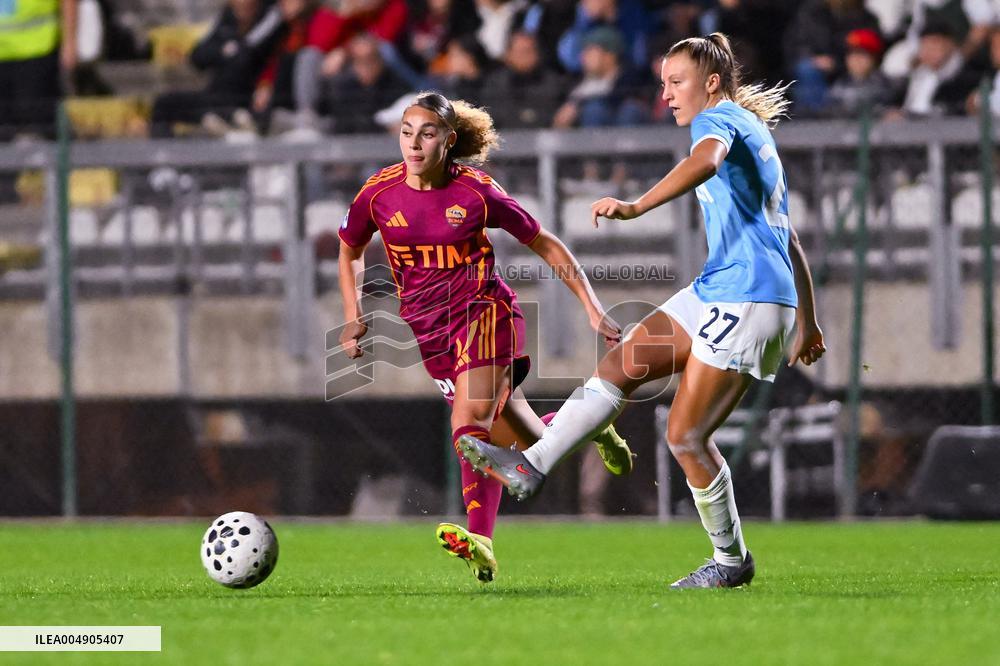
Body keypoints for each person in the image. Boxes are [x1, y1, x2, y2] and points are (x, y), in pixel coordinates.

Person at [459, 33, 827, 589]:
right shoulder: (752, 131)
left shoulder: (717, 121)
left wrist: (636, 206)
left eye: (676, 82)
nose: (666, 95)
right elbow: (788, 236)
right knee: (624, 362)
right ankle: (532, 464)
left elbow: (705, 161)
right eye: (662, 83)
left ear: (711, 83)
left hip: (748, 297)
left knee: (685, 436)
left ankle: (731, 561)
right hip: (724, 289)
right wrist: (808, 319)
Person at [337, 91, 634, 584]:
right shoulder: (377, 193)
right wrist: (353, 313)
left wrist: (592, 307)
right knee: (519, 439)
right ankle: (590, 424)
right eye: (407, 133)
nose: (414, 143)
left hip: (485, 314)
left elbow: (545, 242)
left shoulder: (476, 191)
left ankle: (484, 537)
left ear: (448, 140)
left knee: (467, 424)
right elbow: (349, 249)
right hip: (429, 331)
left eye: (427, 134)